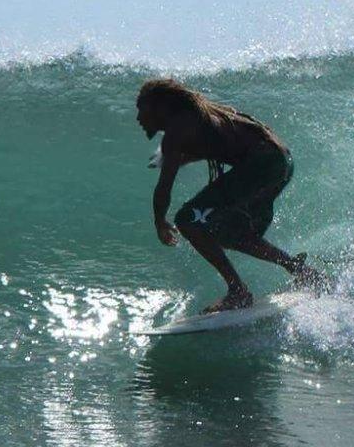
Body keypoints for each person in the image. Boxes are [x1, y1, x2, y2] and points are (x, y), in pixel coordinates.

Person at [136, 77, 322, 313]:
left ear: (161, 108)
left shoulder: (177, 129)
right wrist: (178, 158)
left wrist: (159, 221)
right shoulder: (200, 116)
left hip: (262, 164)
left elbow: (164, 186)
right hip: (281, 161)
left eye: (142, 110)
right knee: (231, 234)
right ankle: (301, 271)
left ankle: (238, 292)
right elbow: (224, 144)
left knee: (187, 220)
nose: (138, 119)